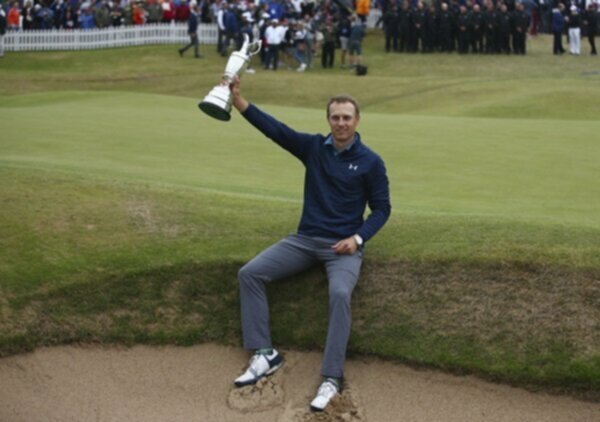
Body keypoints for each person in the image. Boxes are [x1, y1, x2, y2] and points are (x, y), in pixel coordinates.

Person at [228, 78, 391, 412]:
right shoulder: (314, 148)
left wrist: (357, 238)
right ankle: (264, 354)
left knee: (340, 294)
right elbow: (275, 130)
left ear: (357, 120)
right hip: (305, 240)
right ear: (328, 120)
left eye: (347, 117)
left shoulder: (371, 162)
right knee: (250, 273)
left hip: (342, 248)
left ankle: (331, 378)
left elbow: (382, 209)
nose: (341, 123)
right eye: (335, 117)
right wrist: (239, 101)